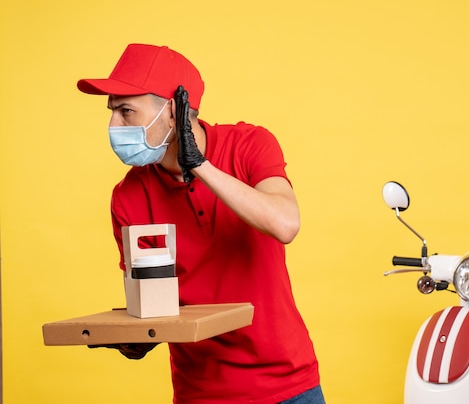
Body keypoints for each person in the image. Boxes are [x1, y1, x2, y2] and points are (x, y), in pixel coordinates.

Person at [77, 43, 325, 404]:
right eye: (112, 112)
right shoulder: (128, 196)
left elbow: (285, 224)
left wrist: (201, 166)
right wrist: (138, 337)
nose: (114, 125)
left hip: (287, 386)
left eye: (126, 111)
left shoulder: (250, 145)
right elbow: (156, 300)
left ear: (174, 110)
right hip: (201, 393)